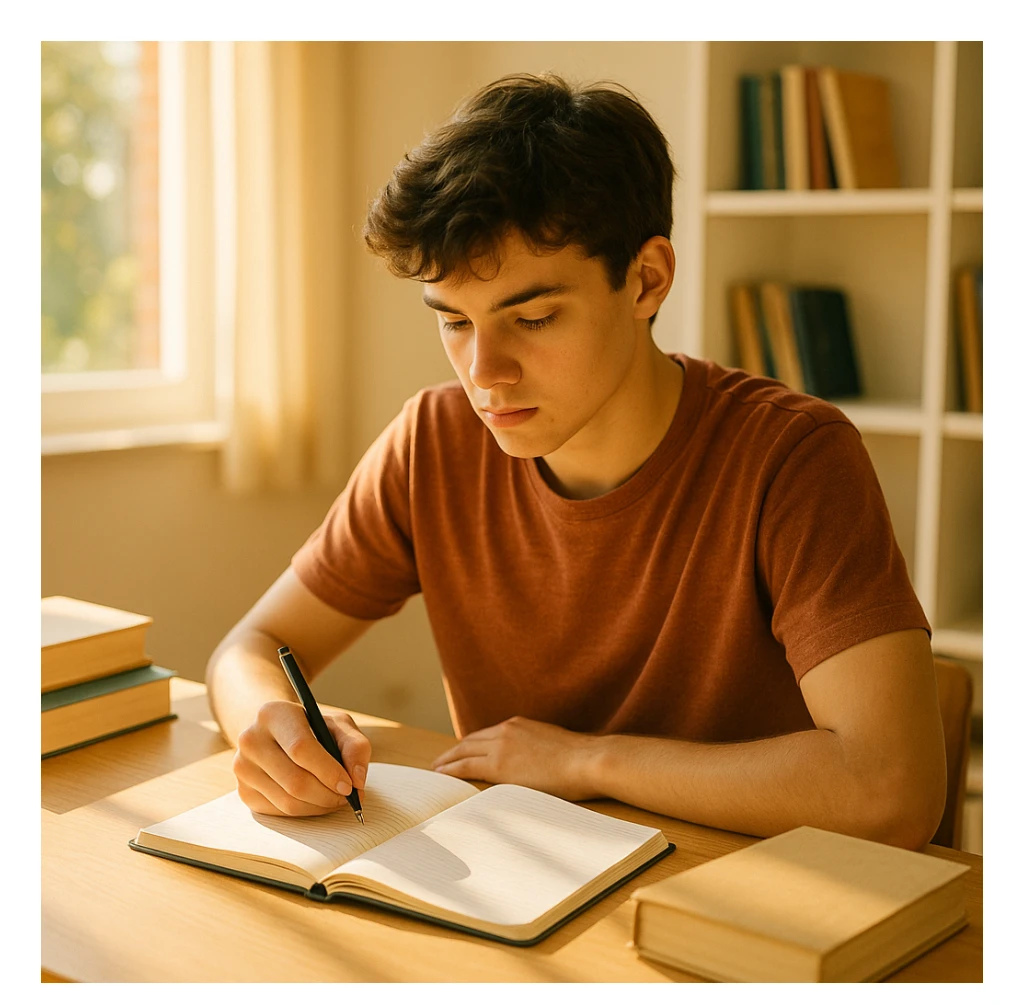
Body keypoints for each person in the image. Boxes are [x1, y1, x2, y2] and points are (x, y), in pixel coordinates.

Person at [206, 72, 947, 850]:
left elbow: (891, 790)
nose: (484, 372)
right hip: (523, 888)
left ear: (646, 279)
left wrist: (590, 761)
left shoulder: (790, 458)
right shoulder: (434, 440)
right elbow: (250, 649)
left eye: (532, 317)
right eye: (454, 321)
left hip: (743, 900)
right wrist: (272, 723)